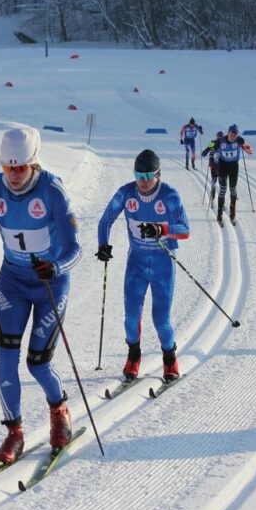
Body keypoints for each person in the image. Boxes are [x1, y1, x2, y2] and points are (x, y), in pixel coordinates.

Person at [0, 126, 82, 466]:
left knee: (38, 363)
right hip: (12, 283)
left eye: (21, 168)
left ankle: (58, 408)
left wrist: (55, 267)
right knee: (5, 360)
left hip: (49, 285)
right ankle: (14, 432)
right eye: (7, 168)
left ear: (33, 162)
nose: (13, 175)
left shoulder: (53, 190)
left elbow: (76, 247)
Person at [96, 150, 190, 384]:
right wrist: (103, 245)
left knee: (161, 320)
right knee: (130, 317)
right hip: (136, 262)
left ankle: (169, 358)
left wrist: (161, 230)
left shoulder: (169, 196)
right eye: (139, 175)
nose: (144, 181)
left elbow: (185, 230)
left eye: (149, 175)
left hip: (162, 263)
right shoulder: (126, 193)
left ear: (158, 174)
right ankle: (134, 355)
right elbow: (105, 220)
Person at [202, 124, 253, 224]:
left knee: (233, 190)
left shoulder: (239, 140)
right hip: (222, 166)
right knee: (223, 189)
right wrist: (211, 155)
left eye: (235, 134)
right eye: (231, 134)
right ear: (228, 133)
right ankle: (219, 214)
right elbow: (209, 150)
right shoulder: (219, 141)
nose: (233, 136)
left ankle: (232, 214)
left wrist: (245, 145)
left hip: (234, 167)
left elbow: (250, 151)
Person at [207, 130, 222, 208]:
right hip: (217, 166)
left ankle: (215, 201)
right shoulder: (223, 144)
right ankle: (215, 201)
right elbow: (207, 149)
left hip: (216, 166)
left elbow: (207, 150)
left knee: (216, 183)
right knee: (220, 185)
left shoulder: (213, 142)